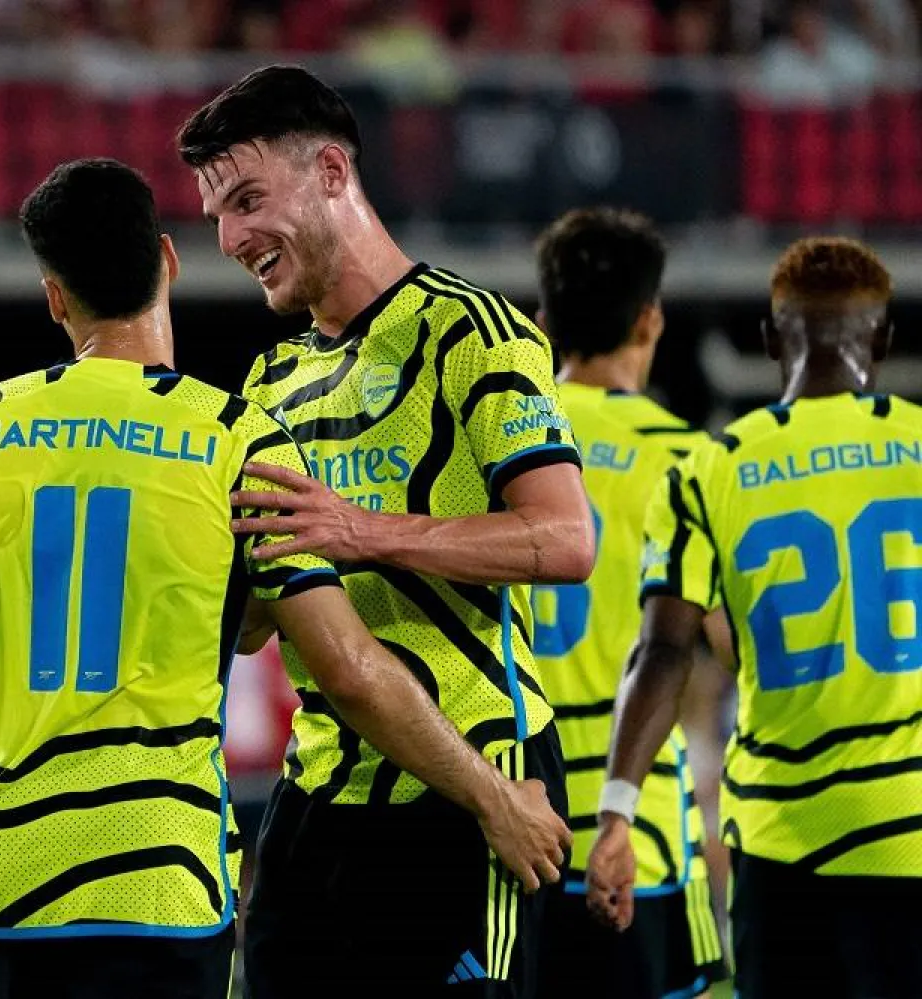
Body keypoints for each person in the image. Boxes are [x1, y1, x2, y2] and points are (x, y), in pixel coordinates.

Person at [0, 158, 571, 999]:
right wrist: (493, 795)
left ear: (55, 296)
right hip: (161, 864)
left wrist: (14, 644)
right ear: (167, 261)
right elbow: (345, 666)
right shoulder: (236, 435)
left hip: (5, 869)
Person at [178, 66, 595, 997]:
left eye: (247, 199)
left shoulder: (473, 332)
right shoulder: (268, 385)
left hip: (470, 787)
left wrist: (360, 531)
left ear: (332, 172)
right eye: (215, 216)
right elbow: (253, 624)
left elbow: (565, 539)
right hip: (320, 790)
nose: (231, 237)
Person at [586, 237, 922, 999]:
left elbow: (663, 652)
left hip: (781, 842)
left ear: (772, 340)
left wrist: (617, 812)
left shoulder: (710, 468)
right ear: (886, 339)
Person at [527, 209, 727, 999]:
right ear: (651, 318)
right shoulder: (689, 458)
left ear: (544, 324)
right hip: (639, 826)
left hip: (509, 815)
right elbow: (727, 646)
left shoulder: (496, 446)